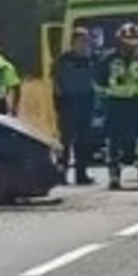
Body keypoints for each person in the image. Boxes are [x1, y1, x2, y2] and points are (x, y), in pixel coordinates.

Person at [95, 22, 138, 190]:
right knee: (114, 138)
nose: (131, 44)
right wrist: (109, 87)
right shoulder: (109, 58)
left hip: (134, 100)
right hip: (115, 101)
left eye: (134, 40)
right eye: (127, 40)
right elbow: (99, 78)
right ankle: (114, 174)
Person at [52, 27, 96, 185]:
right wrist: (58, 102)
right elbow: (56, 82)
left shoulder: (91, 59)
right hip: (68, 102)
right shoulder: (64, 60)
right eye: (80, 41)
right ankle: (61, 174)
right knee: (66, 141)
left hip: (86, 101)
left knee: (83, 141)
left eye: (86, 41)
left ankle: (81, 174)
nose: (83, 44)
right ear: (73, 43)